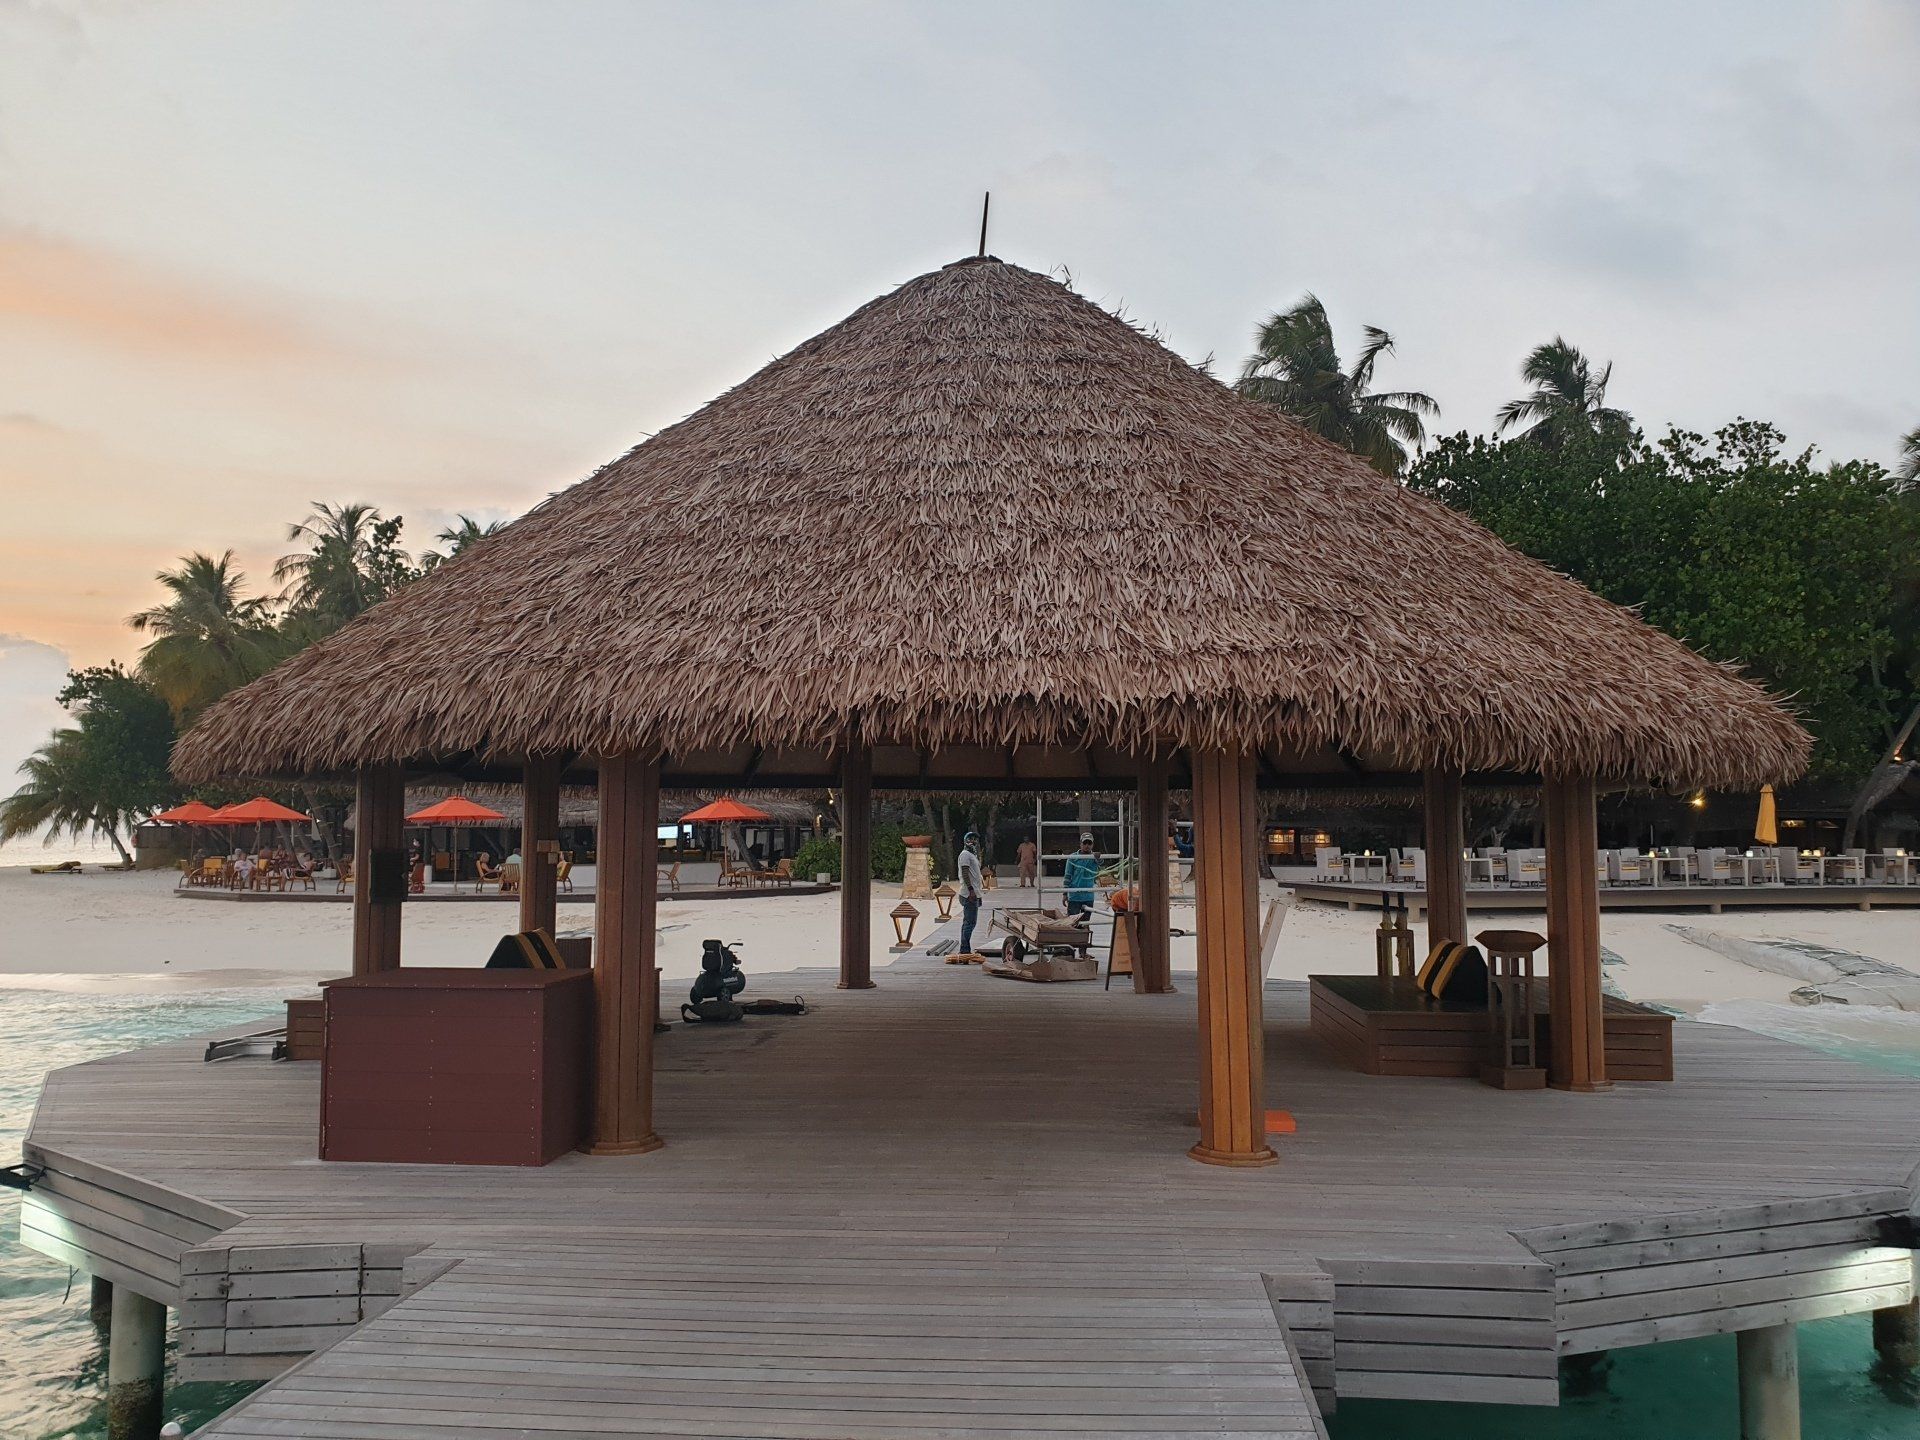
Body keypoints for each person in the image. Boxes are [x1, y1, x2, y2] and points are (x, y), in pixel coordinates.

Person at [956, 831, 985, 954]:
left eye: (975, 839)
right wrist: (971, 890)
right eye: (970, 838)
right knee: (969, 923)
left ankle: (965, 948)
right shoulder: (965, 855)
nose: (973, 841)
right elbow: (965, 873)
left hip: (975, 893)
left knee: (969, 922)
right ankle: (964, 949)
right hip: (969, 894)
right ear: (965, 841)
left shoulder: (972, 855)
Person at [1063, 835, 1100, 916]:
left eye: (1089, 843)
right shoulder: (1073, 857)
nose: (1087, 845)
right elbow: (1067, 876)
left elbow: (1101, 864)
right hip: (1074, 896)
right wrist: (1065, 894)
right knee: (1073, 922)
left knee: (1085, 923)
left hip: (1088, 896)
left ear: (1092, 845)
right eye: (1085, 843)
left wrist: (1098, 858)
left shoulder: (1095, 858)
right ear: (1080, 844)